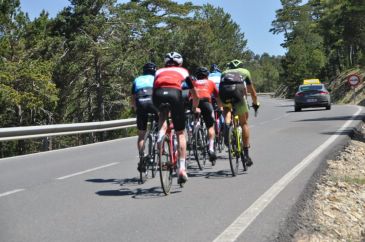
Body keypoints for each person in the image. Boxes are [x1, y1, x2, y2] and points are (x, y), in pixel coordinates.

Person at [153, 52, 197, 184]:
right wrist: (195, 107)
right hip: (174, 94)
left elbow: (154, 86)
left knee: (163, 115)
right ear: (180, 63)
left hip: (158, 94)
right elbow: (193, 92)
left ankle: (160, 135)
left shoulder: (159, 71)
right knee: (180, 133)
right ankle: (182, 169)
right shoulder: (183, 71)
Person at [219, 59, 260, 166]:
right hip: (238, 94)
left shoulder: (224, 72)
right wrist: (255, 103)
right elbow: (252, 91)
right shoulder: (245, 71)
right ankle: (246, 154)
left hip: (224, 93)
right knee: (244, 123)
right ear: (241, 66)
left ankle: (227, 126)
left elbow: (220, 87)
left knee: (227, 110)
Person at [131, 62, 159, 172]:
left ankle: (142, 157)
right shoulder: (156, 78)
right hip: (153, 103)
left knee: (141, 134)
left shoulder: (137, 79)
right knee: (161, 126)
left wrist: (135, 109)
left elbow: (133, 98)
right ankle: (159, 144)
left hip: (140, 102)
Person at [191, 67, 221, 164]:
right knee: (210, 127)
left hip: (195, 102)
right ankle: (211, 148)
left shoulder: (193, 83)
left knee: (195, 115)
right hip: (206, 103)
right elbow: (217, 96)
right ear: (207, 76)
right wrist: (220, 107)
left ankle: (196, 127)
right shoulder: (210, 82)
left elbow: (189, 97)